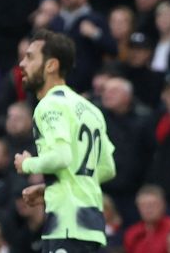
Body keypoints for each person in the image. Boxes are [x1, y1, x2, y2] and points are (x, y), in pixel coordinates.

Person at [14, 29, 116, 252]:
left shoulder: (49, 105)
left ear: (51, 65)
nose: (22, 63)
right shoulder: (90, 109)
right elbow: (107, 168)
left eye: (30, 57)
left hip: (67, 224)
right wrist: (54, 185)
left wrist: (27, 164)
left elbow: (61, 157)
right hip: (90, 226)